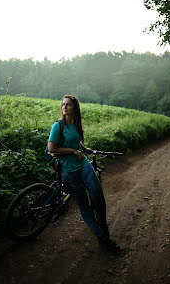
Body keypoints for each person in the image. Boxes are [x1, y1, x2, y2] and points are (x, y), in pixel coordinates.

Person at [48, 94, 121, 254]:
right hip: (68, 170)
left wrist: (83, 149)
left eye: (68, 104)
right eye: (63, 104)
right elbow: (51, 149)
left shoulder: (76, 125)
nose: (64, 107)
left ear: (75, 108)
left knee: (97, 194)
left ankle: (103, 224)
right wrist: (73, 151)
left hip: (83, 164)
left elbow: (76, 143)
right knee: (83, 205)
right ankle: (102, 237)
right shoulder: (58, 126)